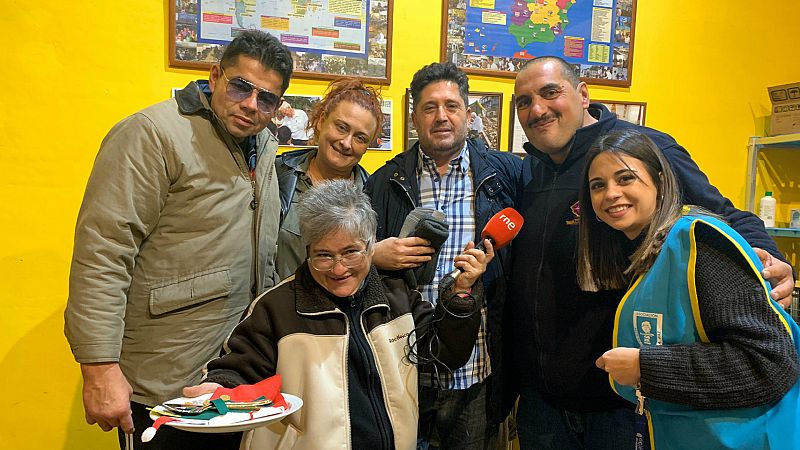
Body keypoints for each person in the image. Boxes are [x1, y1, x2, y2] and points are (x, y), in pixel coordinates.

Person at [507, 55, 796, 449]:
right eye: (523, 102)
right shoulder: (531, 170)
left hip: (626, 404)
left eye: (549, 92)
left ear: (584, 94)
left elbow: (727, 215)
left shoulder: (643, 147)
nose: (537, 109)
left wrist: (770, 259)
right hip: (544, 406)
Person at [63, 30, 293, 449]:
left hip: (233, 380)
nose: (250, 105)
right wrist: (98, 368)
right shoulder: (151, 134)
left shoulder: (261, 143)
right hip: (162, 384)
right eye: (241, 86)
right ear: (214, 75)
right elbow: (103, 253)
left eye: (266, 98)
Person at [183, 179, 494, 450]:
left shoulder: (396, 296)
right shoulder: (275, 309)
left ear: (372, 246)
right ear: (308, 251)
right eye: (323, 255)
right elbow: (236, 370)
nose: (338, 268)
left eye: (350, 252)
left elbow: (442, 354)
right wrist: (219, 388)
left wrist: (461, 293)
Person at [577, 129, 800, 449]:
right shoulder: (644, 253)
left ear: (661, 182)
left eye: (625, 178)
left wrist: (645, 367)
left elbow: (768, 364)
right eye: (598, 185)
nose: (611, 193)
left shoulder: (699, 242)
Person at [365, 62, 522, 449]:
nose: (441, 116)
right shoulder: (384, 182)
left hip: (476, 368)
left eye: (452, 106)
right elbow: (350, 264)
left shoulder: (507, 174)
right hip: (405, 366)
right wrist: (373, 255)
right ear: (415, 116)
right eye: (429, 107)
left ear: (469, 114)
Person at [275, 78, 381, 279]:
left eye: (360, 138)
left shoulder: (374, 195)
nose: (346, 143)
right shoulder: (279, 175)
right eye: (341, 127)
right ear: (322, 122)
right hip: (277, 305)